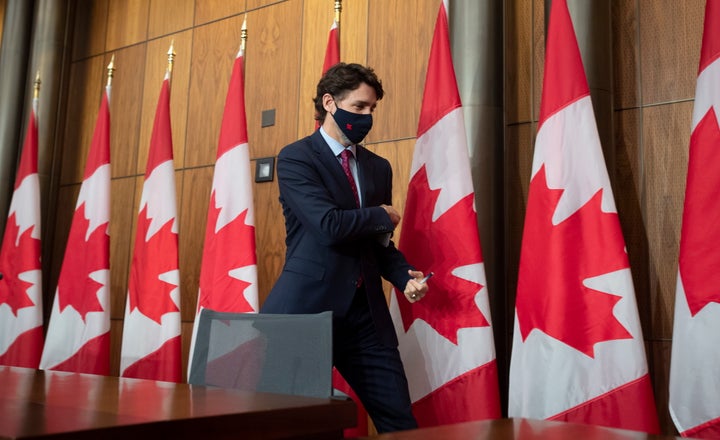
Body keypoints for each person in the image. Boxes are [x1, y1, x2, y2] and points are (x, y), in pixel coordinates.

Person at [260, 63, 429, 433]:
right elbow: (328, 226)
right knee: (311, 426)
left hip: (365, 316)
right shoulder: (296, 157)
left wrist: (403, 277)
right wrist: (381, 213)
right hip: (305, 314)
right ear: (329, 103)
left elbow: (378, 243)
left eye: (372, 109)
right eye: (359, 107)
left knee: (400, 422)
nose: (367, 117)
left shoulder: (378, 167)